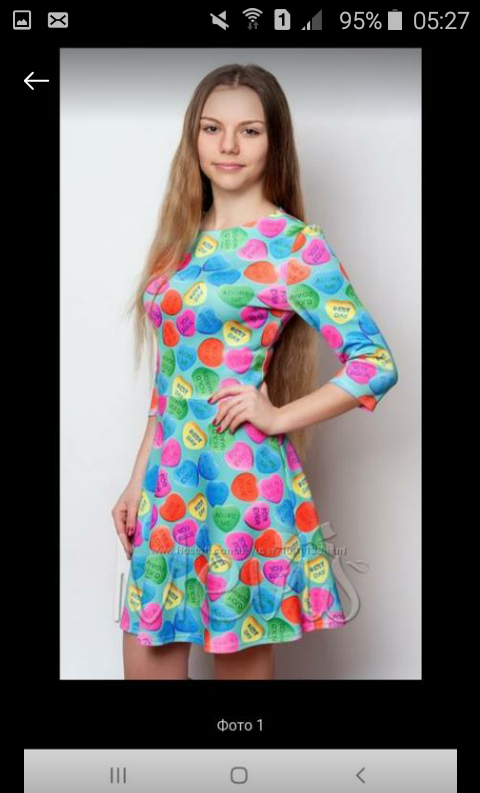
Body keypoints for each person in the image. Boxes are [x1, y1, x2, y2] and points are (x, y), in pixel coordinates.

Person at [111, 63, 399, 681]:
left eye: (249, 131)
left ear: (274, 142)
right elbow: (170, 382)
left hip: (243, 489)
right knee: (145, 664)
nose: (229, 146)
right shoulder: (178, 243)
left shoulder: (295, 247)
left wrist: (278, 416)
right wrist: (138, 481)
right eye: (212, 128)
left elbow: (374, 362)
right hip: (168, 485)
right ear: (194, 137)